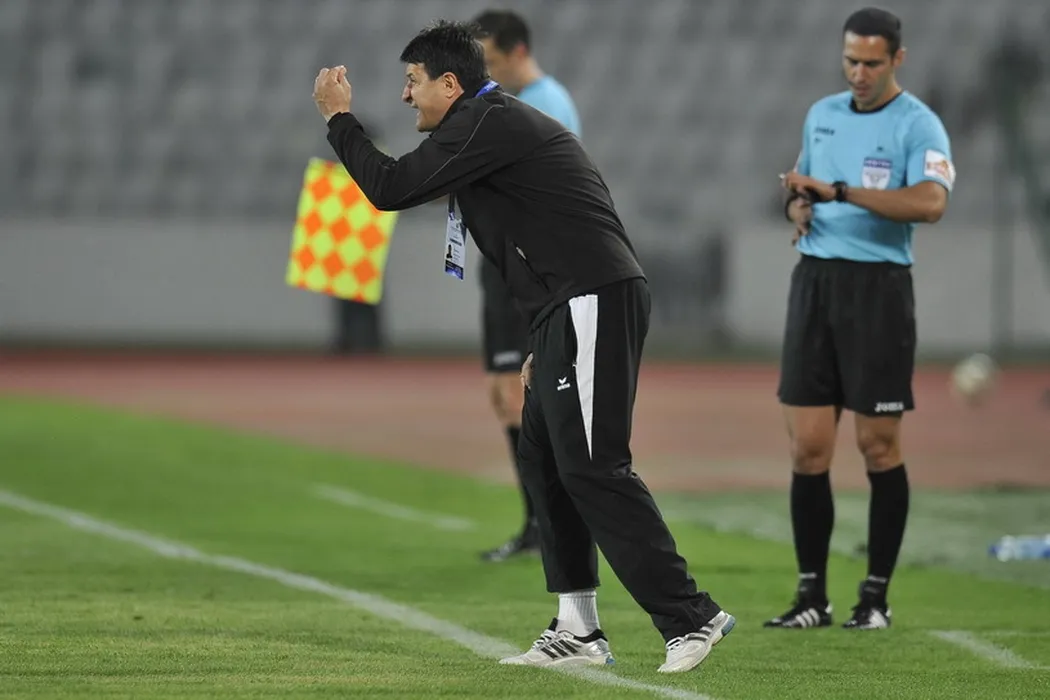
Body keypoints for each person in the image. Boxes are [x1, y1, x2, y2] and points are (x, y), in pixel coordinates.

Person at [312, 20, 734, 673]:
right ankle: (578, 629)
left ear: (450, 84)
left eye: (413, 81)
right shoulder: (484, 123)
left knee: (594, 465)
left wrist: (339, 119)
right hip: (567, 306)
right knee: (544, 457)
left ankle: (690, 616)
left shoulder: (485, 123)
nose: (405, 95)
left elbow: (390, 188)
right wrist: (545, 330)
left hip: (591, 298)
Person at [772, 7, 955, 631]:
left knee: (878, 445)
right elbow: (804, 187)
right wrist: (798, 207)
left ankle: (874, 597)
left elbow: (931, 202)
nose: (859, 72)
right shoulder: (821, 114)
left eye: (872, 62)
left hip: (878, 290)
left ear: (896, 59)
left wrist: (843, 192)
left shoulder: (918, 123)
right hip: (815, 284)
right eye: (851, 60)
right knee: (808, 447)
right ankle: (811, 598)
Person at [469, 8, 582, 564]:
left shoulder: (545, 103)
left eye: (490, 61)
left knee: (521, 393)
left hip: (528, 266)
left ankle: (551, 521)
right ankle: (538, 521)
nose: (486, 74)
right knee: (503, 394)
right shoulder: (513, 103)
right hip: (503, 263)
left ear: (517, 52)